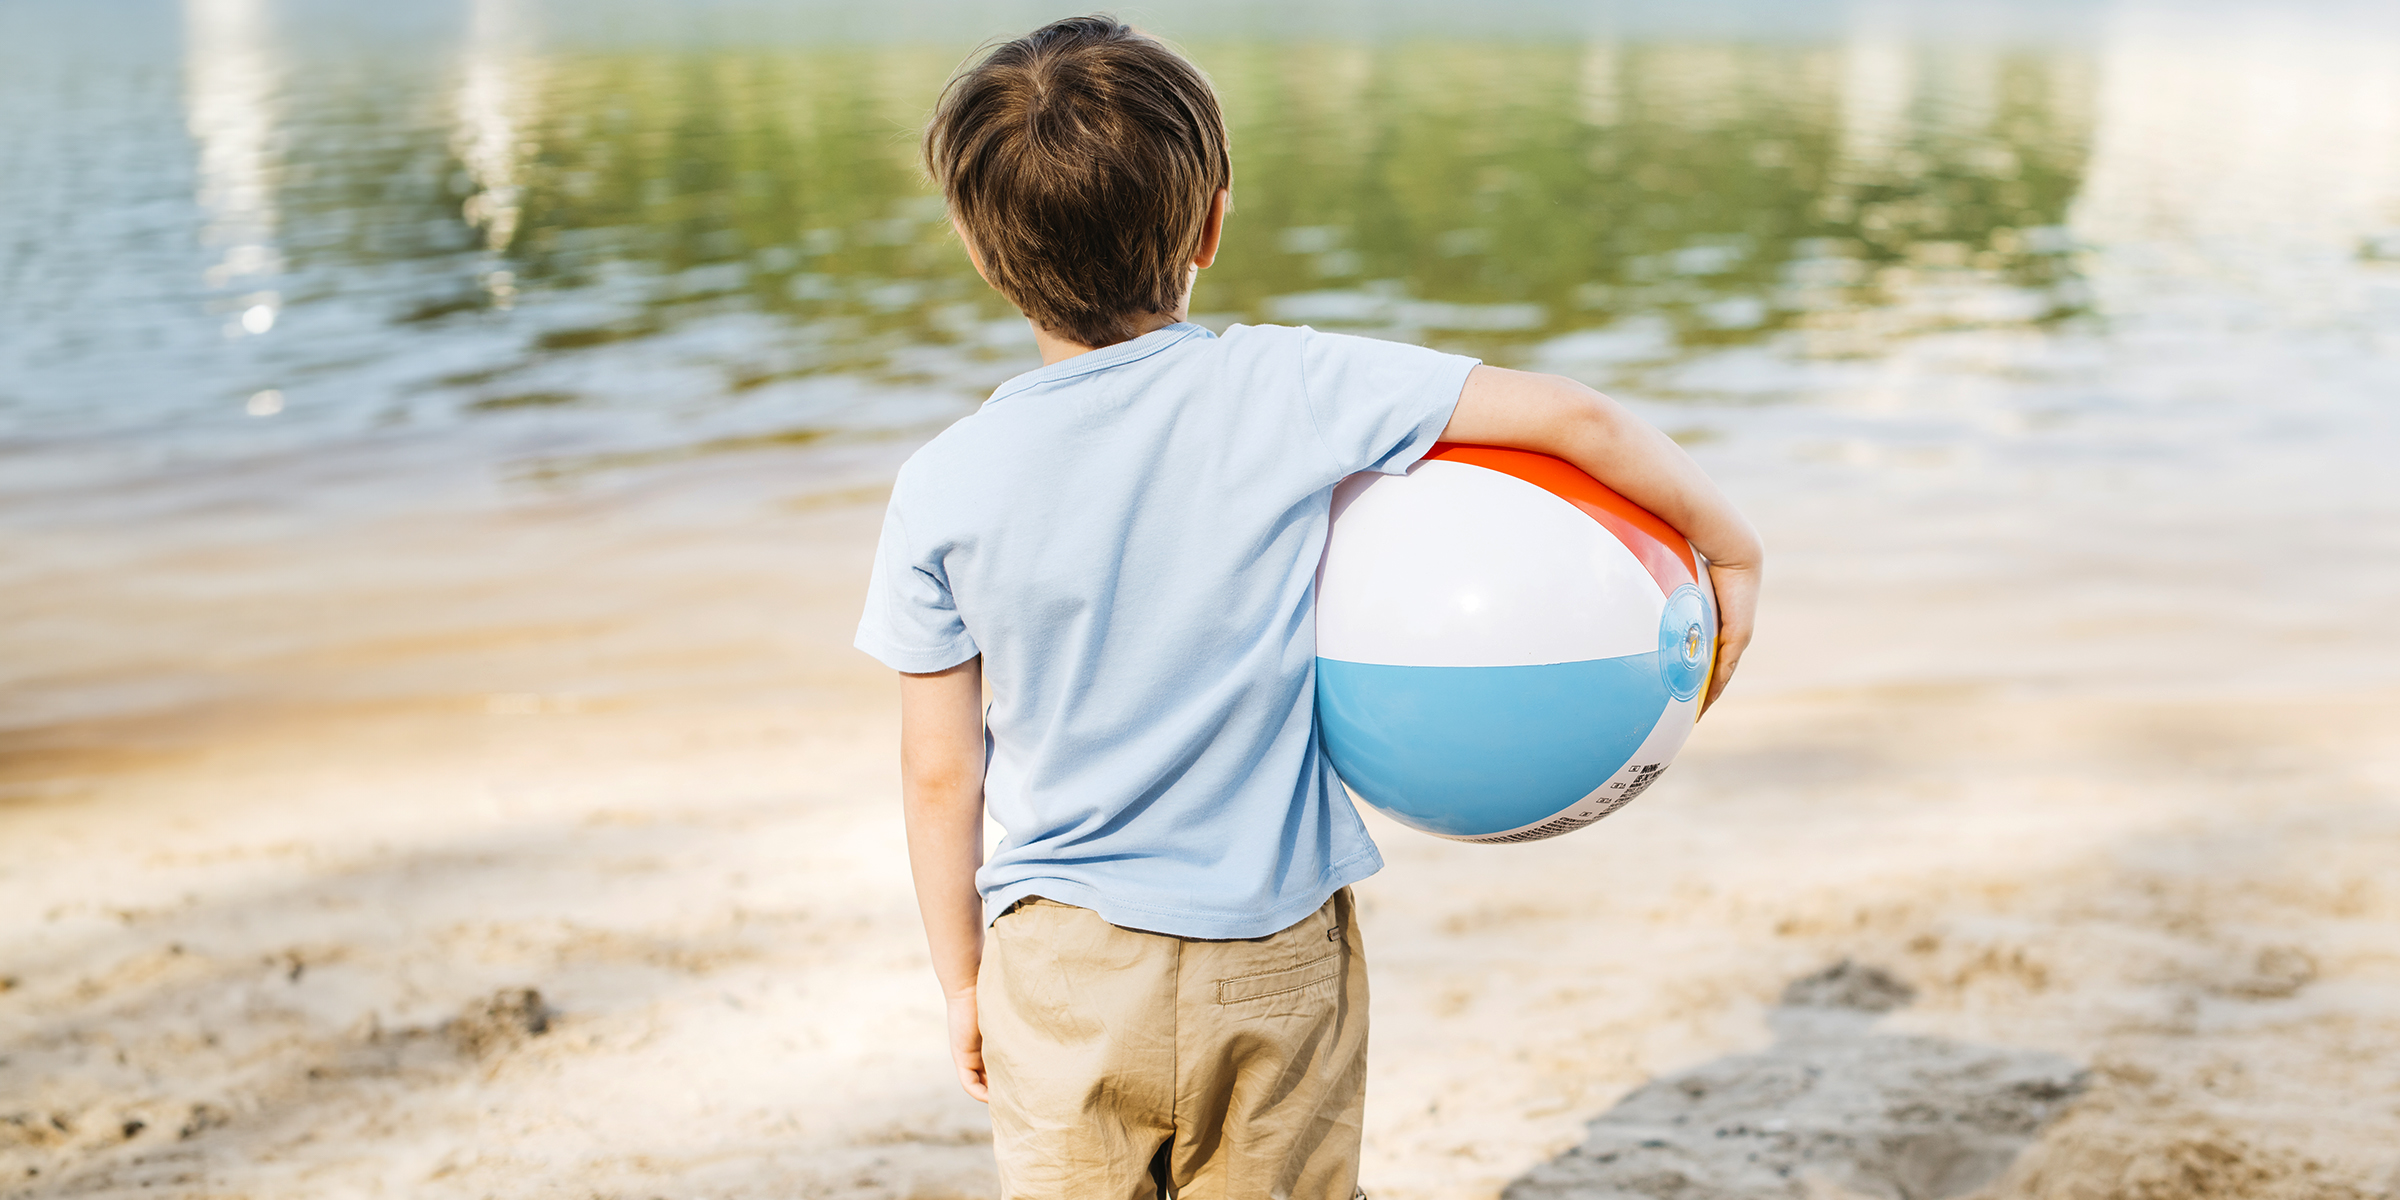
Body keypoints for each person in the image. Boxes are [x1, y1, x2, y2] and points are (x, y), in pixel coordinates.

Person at [853, 16, 1762, 1199]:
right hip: (1270, 946)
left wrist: (966, 982)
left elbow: (939, 774)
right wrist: (1729, 548)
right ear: (1211, 225)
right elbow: (1576, 422)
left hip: (1063, 960)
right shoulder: (1285, 386)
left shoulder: (941, 485)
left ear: (980, 252)